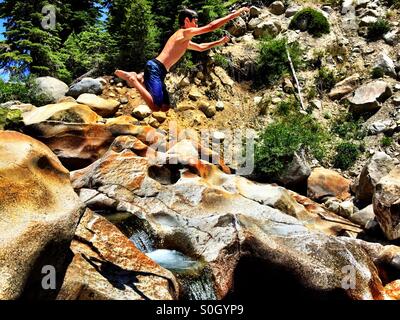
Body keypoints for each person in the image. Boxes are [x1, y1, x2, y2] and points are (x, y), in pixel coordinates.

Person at [115, 6, 250, 112]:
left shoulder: (184, 40)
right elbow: (211, 27)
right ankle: (134, 79)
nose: (197, 25)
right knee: (155, 107)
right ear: (186, 21)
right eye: (195, 22)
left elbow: (201, 47)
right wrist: (235, 14)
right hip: (155, 67)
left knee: (165, 107)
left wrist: (219, 42)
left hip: (160, 71)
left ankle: (141, 77)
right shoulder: (183, 33)